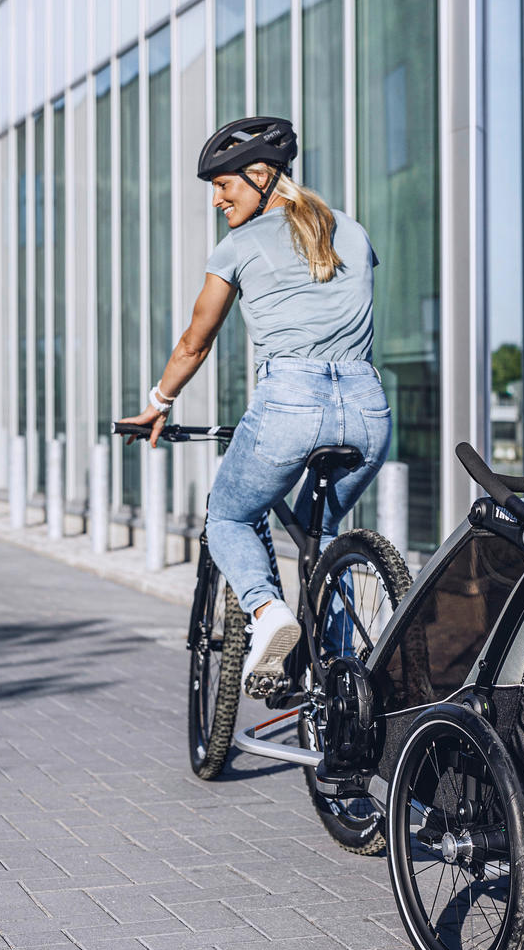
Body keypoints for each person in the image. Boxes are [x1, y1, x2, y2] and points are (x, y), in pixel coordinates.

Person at [125, 116, 392, 697]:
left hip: (290, 403)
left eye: (225, 185)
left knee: (229, 516)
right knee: (321, 539)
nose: (217, 199)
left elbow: (196, 339)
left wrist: (158, 402)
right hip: (369, 407)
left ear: (262, 176)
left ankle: (268, 613)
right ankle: (341, 679)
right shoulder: (351, 230)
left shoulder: (239, 245)